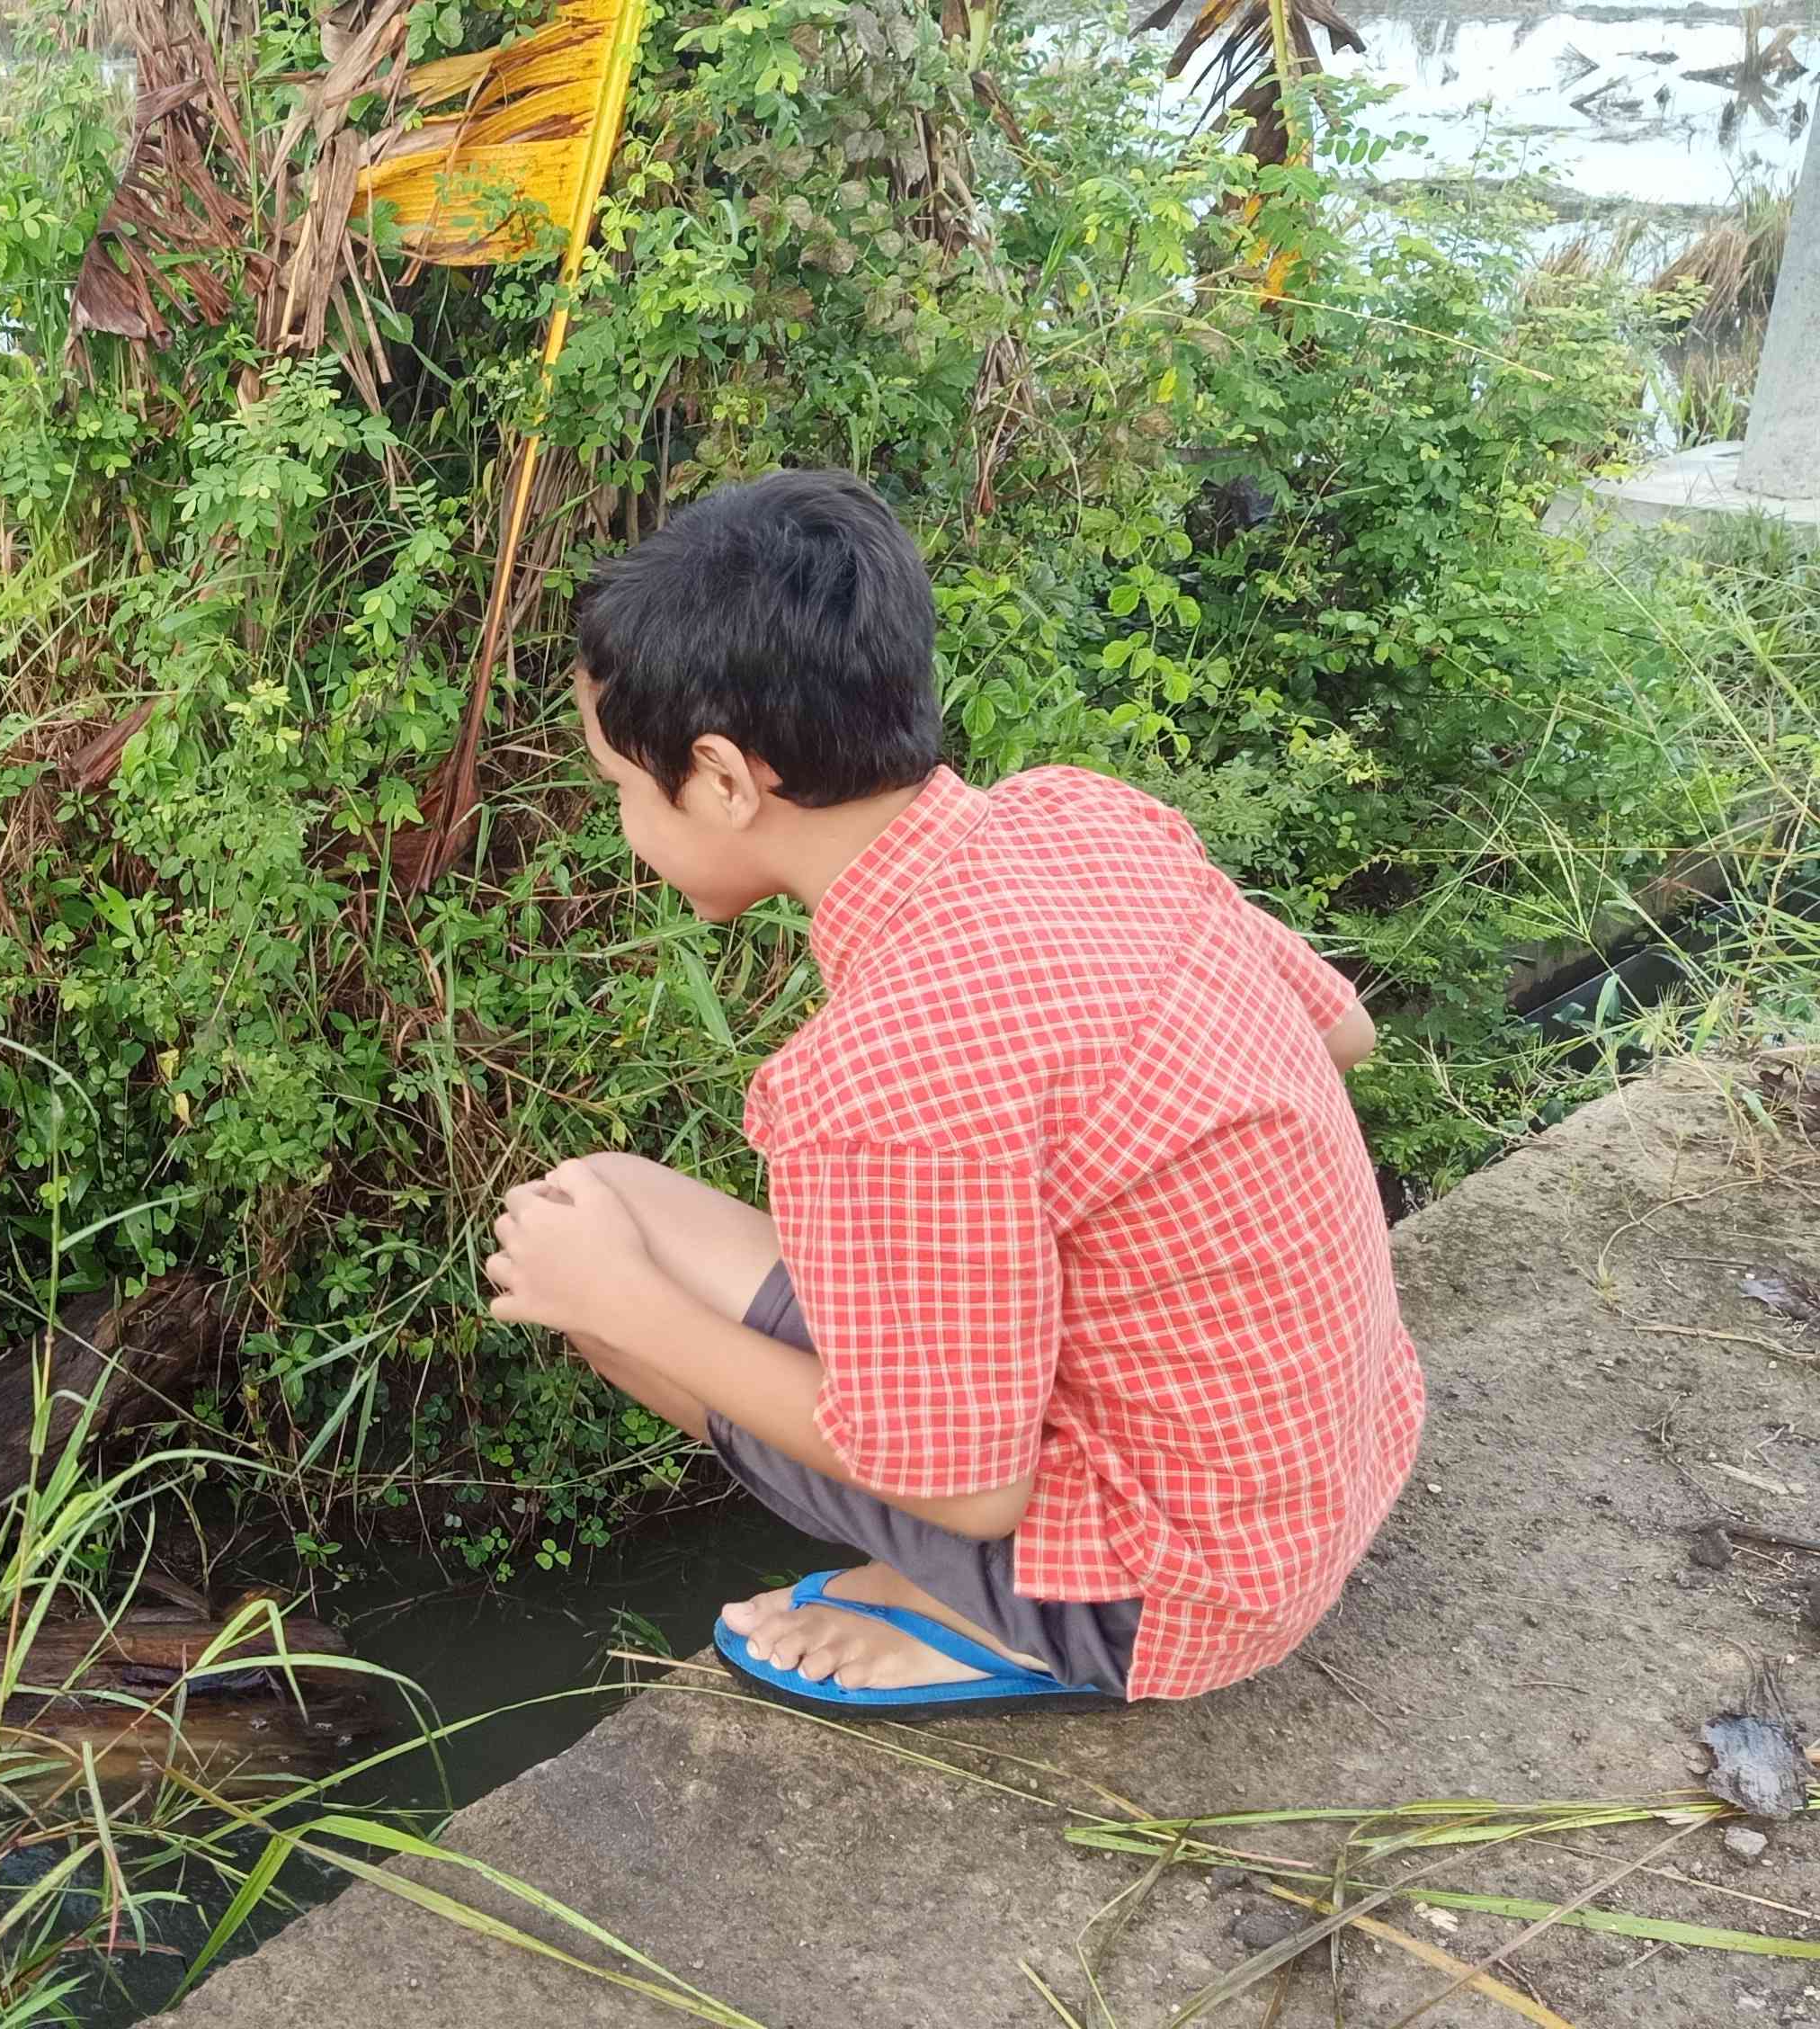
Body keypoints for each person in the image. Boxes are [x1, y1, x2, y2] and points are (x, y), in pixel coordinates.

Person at [480, 469, 1421, 1712]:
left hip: (1173, 1593)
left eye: (619, 790)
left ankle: (996, 1619)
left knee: (589, 1261)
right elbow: (1341, 1029)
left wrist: (622, 1307)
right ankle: (971, 1574)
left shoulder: (880, 1070)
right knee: (609, 1207)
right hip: (1320, 1470)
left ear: (720, 778)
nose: (623, 825)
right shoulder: (1078, 814)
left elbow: (979, 1489)